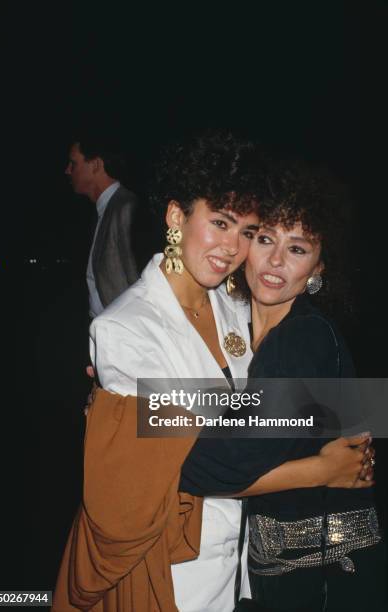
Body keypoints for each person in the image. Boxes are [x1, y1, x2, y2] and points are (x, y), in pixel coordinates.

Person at [52, 135, 372, 612]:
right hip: (179, 569)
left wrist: (349, 414)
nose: (232, 248)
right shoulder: (125, 329)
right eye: (220, 223)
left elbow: (267, 413)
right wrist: (320, 469)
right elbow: (174, 466)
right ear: (177, 217)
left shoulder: (236, 305)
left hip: (246, 566)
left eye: (247, 231)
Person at [180, 158, 385, 611]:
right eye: (266, 239)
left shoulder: (300, 342)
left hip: (317, 579)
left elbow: (206, 467)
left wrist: (132, 415)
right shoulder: (239, 324)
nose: (275, 261)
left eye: (297, 248)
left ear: (318, 268)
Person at [65, 134, 139, 318]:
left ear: (96, 164)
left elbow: (140, 281)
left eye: (73, 163)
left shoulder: (126, 208)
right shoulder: (102, 211)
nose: (67, 170)